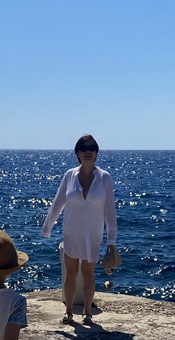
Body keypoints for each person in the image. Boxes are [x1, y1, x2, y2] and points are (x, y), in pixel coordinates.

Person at [40, 134, 118, 325]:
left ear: (97, 152)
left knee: (89, 272)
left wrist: (111, 241)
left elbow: (110, 209)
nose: (88, 151)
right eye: (83, 148)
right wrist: (47, 229)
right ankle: (68, 312)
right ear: (77, 153)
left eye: (92, 147)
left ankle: (87, 313)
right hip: (72, 232)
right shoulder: (70, 175)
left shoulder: (104, 177)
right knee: (71, 273)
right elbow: (58, 203)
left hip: (93, 234)